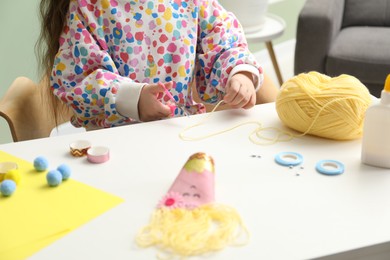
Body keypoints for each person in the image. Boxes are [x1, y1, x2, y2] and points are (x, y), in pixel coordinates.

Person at [37, 0, 279, 130]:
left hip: (177, 132)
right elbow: (77, 79)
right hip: (115, 140)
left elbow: (221, 36)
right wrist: (134, 99)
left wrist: (239, 72)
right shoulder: (87, 7)